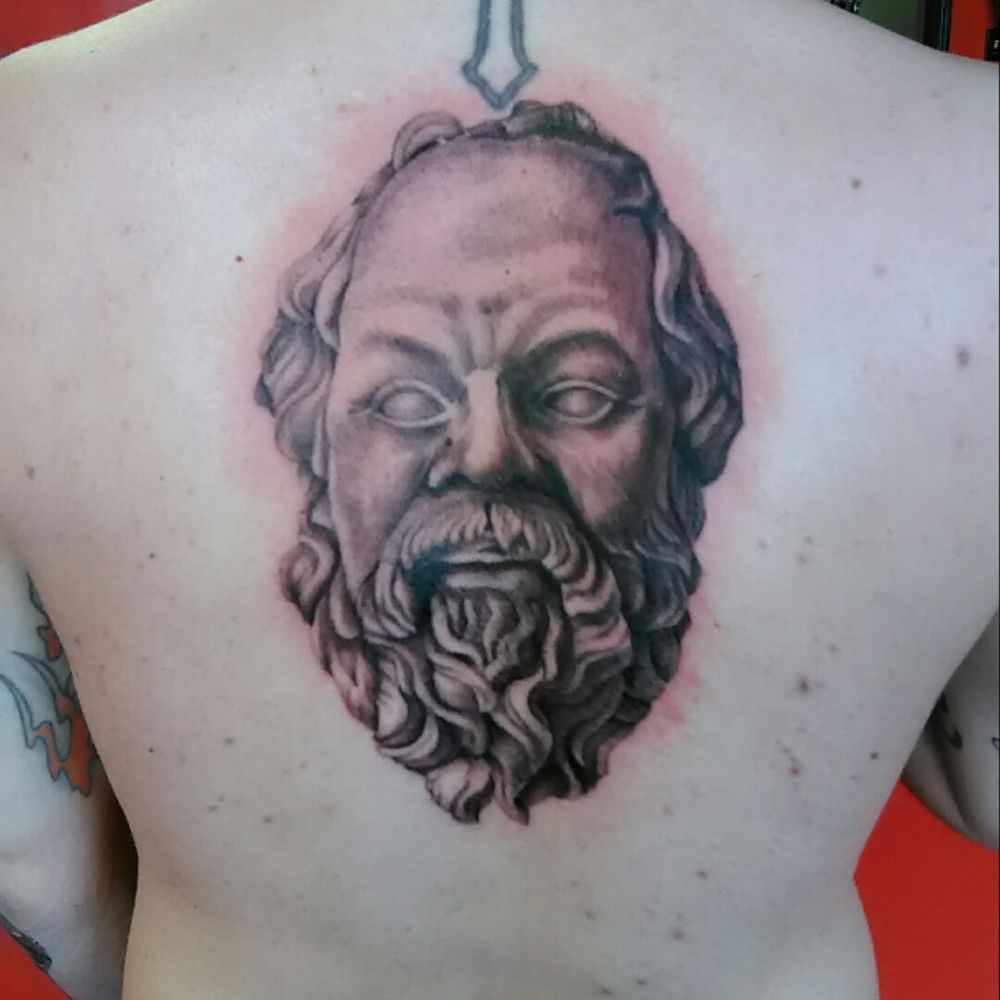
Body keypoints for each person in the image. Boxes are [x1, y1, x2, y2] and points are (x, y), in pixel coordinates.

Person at [0, 1, 996, 998]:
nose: (483, 459)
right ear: (312, 427)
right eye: (405, 397)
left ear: (688, 422)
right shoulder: (971, 177)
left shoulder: (30, 155)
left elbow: (35, 861)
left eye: (577, 392)